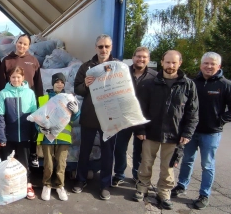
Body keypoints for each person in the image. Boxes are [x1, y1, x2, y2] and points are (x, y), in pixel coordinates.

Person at [133, 50, 199, 210]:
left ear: (179, 63)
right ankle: (142, 188)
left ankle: (164, 193)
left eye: (174, 62)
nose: (170, 66)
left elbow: (193, 111)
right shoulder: (150, 83)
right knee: (146, 163)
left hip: (174, 134)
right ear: (162, 62)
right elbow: (140, 108)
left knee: (168, 167)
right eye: (168, 62)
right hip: (151, 131)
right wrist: (140, 128)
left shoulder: (188, 85)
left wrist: (187, 133)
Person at [171, 52, 231, 210]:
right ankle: (181, 186)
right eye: (206, 63)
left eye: (213, 64)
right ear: (201, 65)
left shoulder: (225, 85)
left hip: (211, 133)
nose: (209, 67)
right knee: (187, 160)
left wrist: (221, 120)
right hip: (190, 132)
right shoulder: (192, 83)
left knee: (207, 164)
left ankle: (204, 194)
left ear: (219, 66)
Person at [72, 34, 117, 200]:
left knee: (108, 153)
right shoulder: (86, 67)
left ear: (111, 48)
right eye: (100, 46)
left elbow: (126, 88)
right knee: (84, 150)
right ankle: (80, 179)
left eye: (106, 46)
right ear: (95, 48)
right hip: (90, 115)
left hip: (110, 116)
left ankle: (105, 184)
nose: (103, 49)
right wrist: (86, 85)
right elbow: (77, 89)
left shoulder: (117, 66)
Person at [112, 47, 157, 186]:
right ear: (133, 57)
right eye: (138, 56)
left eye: (144, 57)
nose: (141, 59)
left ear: (148, 59)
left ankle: (137, 175)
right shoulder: (123, 73)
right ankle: (119, 174)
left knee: (140, 150)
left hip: (143, 121)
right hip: (124, 118)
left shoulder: (155, 77)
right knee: (119, 148)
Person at [37, 72, 80, 201]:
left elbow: (75, 118)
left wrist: (77, 112)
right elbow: (38, 117)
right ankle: (47, 185)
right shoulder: (44, 99)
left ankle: (60, 186)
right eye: (57, 82)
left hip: (63, 137)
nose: (59, 84)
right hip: (47, 137)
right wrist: (39, 127)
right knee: (48, 164)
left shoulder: (69, 98)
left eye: (62, 82)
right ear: (53, 83)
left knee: (61, 164)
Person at [0, 66, 37, 200]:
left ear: (23, 78)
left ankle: (27, 185)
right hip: (9, 136)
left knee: (25, 163)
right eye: (13, 77)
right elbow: (0, 117)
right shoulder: (3, 93)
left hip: (25, 135)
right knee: (7, 164)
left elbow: (34, 115)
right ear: (9, 78)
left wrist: (33, 134)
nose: (16, 79)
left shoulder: (29, 93)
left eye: (18, 77)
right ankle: (8, 187)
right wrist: (2, 136)